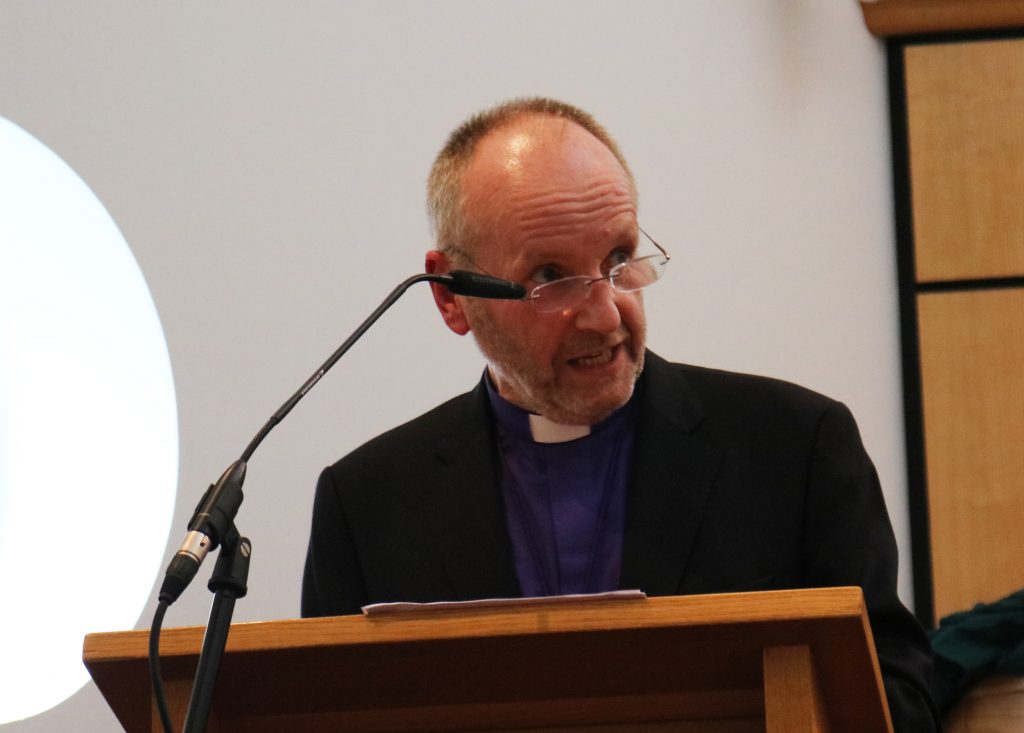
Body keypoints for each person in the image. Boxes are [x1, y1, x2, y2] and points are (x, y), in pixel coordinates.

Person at [302, 98, 939, 730]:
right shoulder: (367, 503)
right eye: (551, 276)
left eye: (618, 260)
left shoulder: (794, 448)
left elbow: (899, 702)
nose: (607, 314)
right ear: (452, 296)